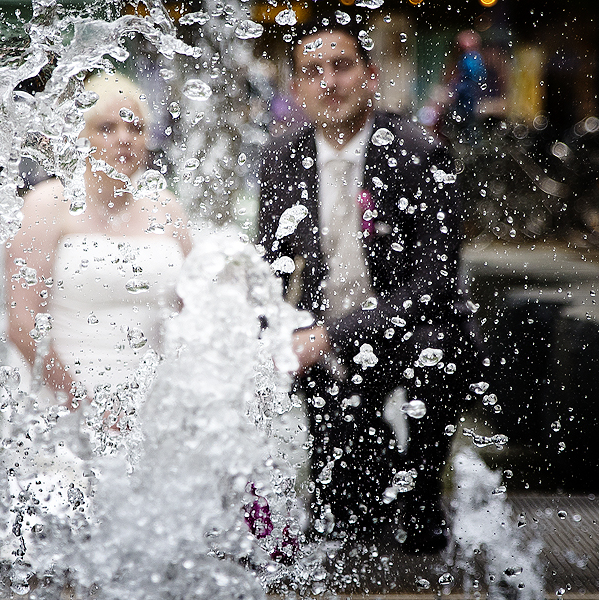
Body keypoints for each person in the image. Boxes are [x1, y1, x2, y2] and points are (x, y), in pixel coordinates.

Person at [257, 19, 478, 553]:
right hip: (328, 344)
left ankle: (424, 488)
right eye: (312, 72)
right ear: (297, 89)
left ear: (371, 76)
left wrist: (333, 333)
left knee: (440, 354)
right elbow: (269, 272)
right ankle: (368, 467)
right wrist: (269, 335)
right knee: (342, 515)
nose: (328, 83)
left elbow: (437, 280)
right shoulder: (281, 160)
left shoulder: (418, 150)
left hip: (410, 332)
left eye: (342, 66)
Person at [8, 72, 192, 414]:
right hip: (61, 408)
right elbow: (22, 323)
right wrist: (86, 407)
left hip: (154, 410)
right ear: (81, 137)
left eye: (135, 128)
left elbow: (196, 311)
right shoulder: (48, 204)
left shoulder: (166, 207)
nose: (124, 138)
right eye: (107, 128)